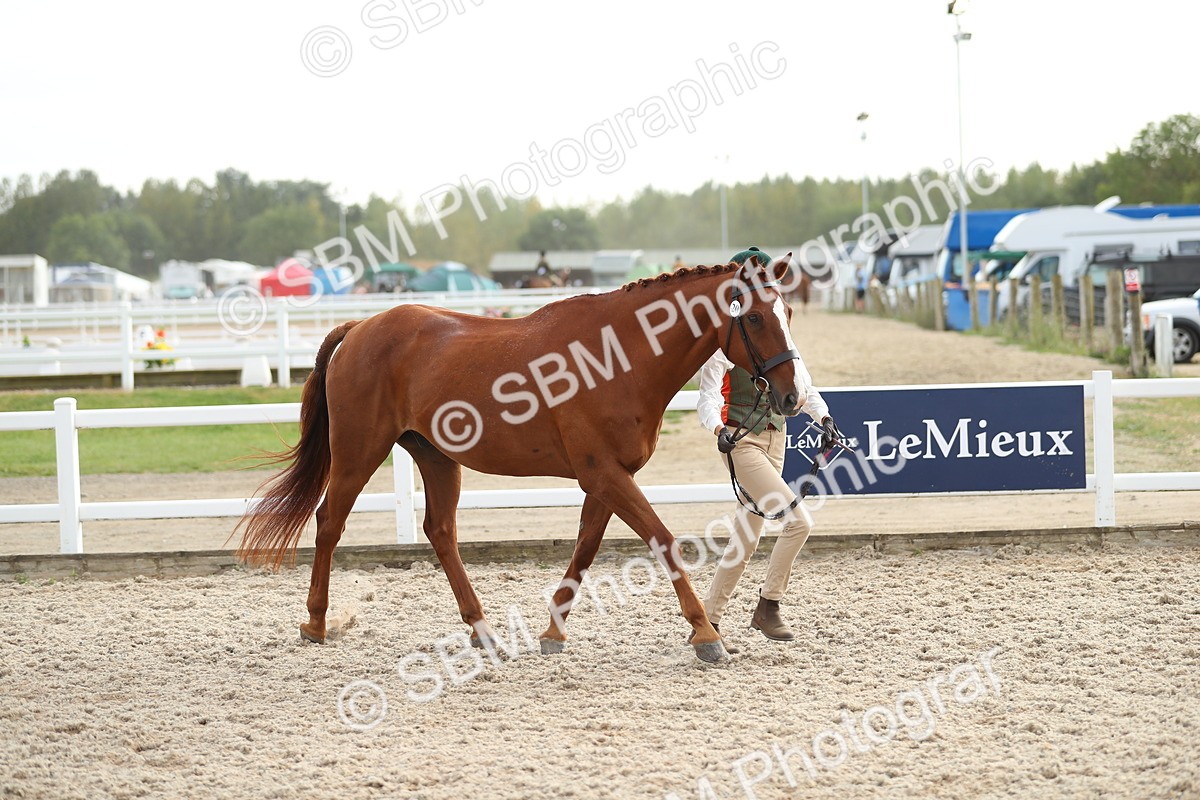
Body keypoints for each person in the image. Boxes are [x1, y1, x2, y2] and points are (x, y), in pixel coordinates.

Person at [695, 247, 841, 644]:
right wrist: (717, 429)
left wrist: (824, 419)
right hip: (742, 443)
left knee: (746, 537)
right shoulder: (726, 344)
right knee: (798, 522)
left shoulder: (776, 331)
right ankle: (769, 605)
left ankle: (709, 618)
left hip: (778, 439)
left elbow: (803, 388)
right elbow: (707, 398)